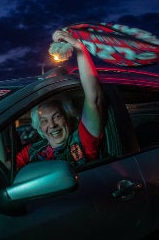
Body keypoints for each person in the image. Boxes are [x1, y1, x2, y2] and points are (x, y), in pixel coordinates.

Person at [15, 29, 103, 170]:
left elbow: (94, 99)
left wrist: (79, 48)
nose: (52, 125)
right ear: (39, 127)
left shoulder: (81, 142)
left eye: (56, 117)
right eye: (44, 121)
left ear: (68, 117)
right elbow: (7, 171)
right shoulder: (33, 151)